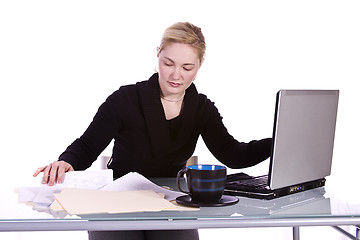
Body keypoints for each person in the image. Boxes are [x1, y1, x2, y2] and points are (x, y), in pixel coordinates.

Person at [33, 22, 272, 240]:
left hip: (171, 203)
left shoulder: (201, 108)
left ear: (200, 66)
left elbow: (232, 153)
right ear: (158, 54)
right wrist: (65, 162)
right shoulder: (125, 99)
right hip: (118, 201)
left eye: (187, 67)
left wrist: (277, 143)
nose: (176, 75)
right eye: (168, 63)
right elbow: (86, 146)